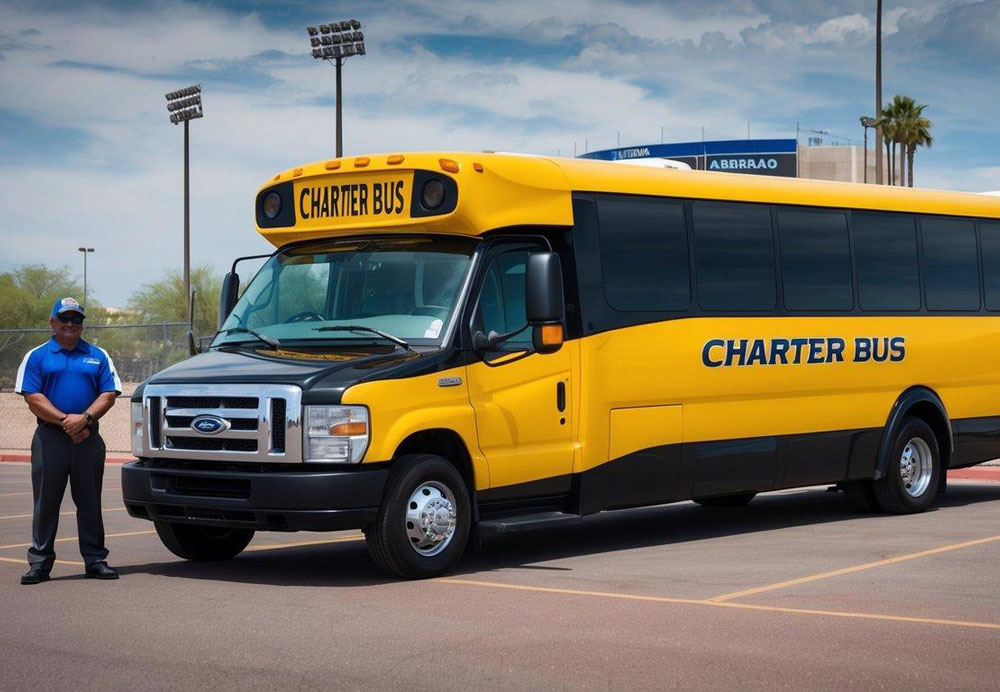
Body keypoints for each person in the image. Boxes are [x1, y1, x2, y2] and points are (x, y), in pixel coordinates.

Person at [14, 297, 122, 584]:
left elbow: (109, 394)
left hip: (88, 438)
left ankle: (95, 560)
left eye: (77, 320)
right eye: (65, 320)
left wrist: (84, 420)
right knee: (46, 503)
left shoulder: (98, 355)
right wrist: (68, 422)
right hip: (50, 439)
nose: (71, 325)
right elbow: (32, 397)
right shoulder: (37, 356)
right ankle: (39, 563)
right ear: (53, 323)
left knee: (89, 502)